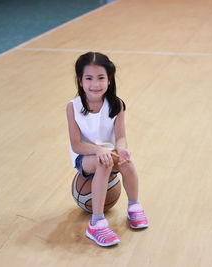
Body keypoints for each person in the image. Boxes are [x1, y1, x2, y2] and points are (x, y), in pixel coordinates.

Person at [66, 52, 148, 247]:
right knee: (105, 162)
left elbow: (120, 137)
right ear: (80, 81)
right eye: (89, 78)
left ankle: (134, 206)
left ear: (109, 80)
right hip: (84, 155)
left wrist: (123, 150)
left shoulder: (116, 105)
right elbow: (76, 144)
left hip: (108, 152)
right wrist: (98, 150)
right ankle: (96, 223)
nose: (95, 84)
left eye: (101, 78)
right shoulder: (73, 107)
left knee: (127, 163)